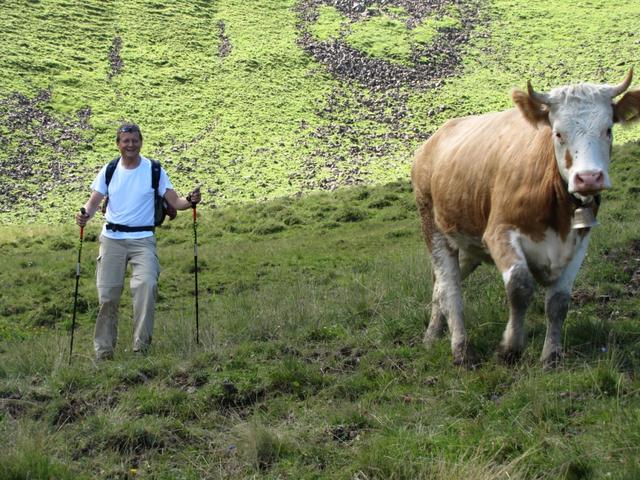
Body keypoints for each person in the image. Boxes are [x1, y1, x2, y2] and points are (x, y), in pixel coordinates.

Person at [76, 123, 201, 360]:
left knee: (146, 286)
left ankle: (140, 350)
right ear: (118, 144)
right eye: (125, 141)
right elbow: (93, 202)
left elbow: (175, 202)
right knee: (108, 297)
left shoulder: (154, 169)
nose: (130, 145)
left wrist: (191, 201)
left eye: (134, 141)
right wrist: (84, 214)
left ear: (141, 142)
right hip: (112, 239)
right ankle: (104, 353)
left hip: (143, 239)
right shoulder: (109, 169)